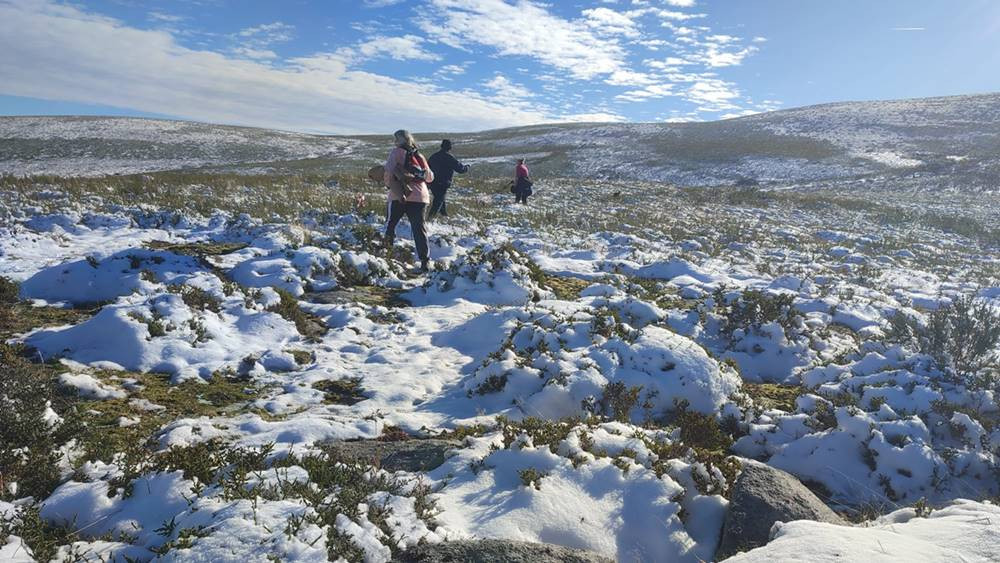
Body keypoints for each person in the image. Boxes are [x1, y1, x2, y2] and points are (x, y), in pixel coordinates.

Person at [384, 129, 435, 272]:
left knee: (390, 224)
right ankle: (425, 262)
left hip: (399, 194)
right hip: (420, 196)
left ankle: (386, 257)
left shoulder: (396, 152)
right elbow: (430, 177)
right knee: (419, 229)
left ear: (398, 140)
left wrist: (389, 185)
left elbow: (388, 171)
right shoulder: (419, 155)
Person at [427, 139, 470, 219]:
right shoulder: (449, 157)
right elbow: (460, 169)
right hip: (442, 183)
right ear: (450, 147)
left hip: (432, 182)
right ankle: (429, 220)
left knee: (440, 199)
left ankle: (444, 216)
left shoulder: (433, 156)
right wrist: (467, 167)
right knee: (438, 201)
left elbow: (427, 169)